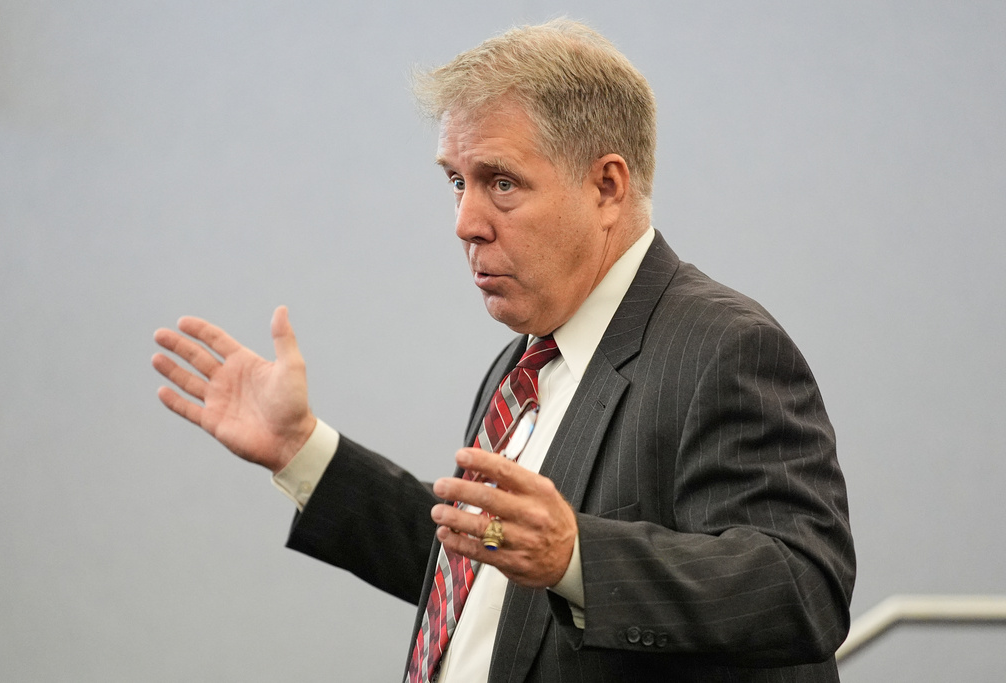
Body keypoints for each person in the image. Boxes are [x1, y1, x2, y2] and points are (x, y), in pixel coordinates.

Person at [152, 19, 854, 682]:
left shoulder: (725, 347)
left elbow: (803, 585)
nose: (464, 222)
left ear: (607, 186)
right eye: (457, 181)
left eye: (501, 182)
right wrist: (302, 449)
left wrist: (576, 555)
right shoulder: (527, 362)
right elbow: (482, 571)